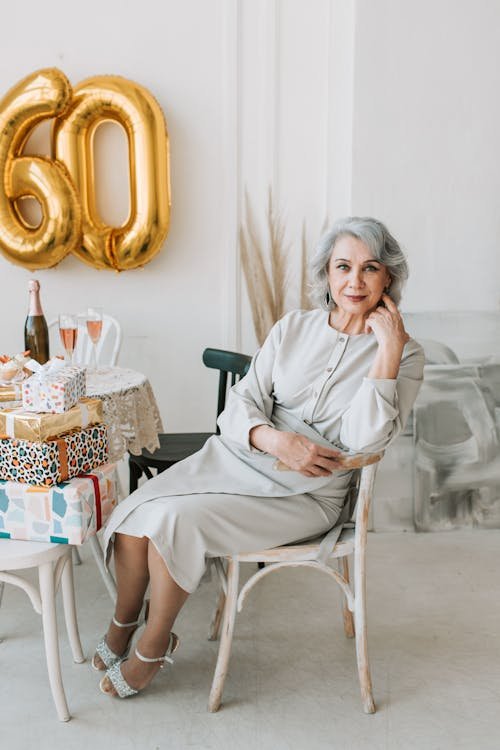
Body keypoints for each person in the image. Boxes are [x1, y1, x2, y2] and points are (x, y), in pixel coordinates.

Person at [95, 216, 425, 698]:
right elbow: (244, 400)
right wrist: (273, 439)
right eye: (343, 267)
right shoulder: (294, 327)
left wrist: (388, 352)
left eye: (370, 268)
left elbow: (364, 442)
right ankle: (122, 624)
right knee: (134, 514)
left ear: (388, 278)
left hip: (309, 492)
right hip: (241, 457)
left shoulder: (406, 356)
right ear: (327, 275)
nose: (355, 281)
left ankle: (153, 644)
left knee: (172, 520)